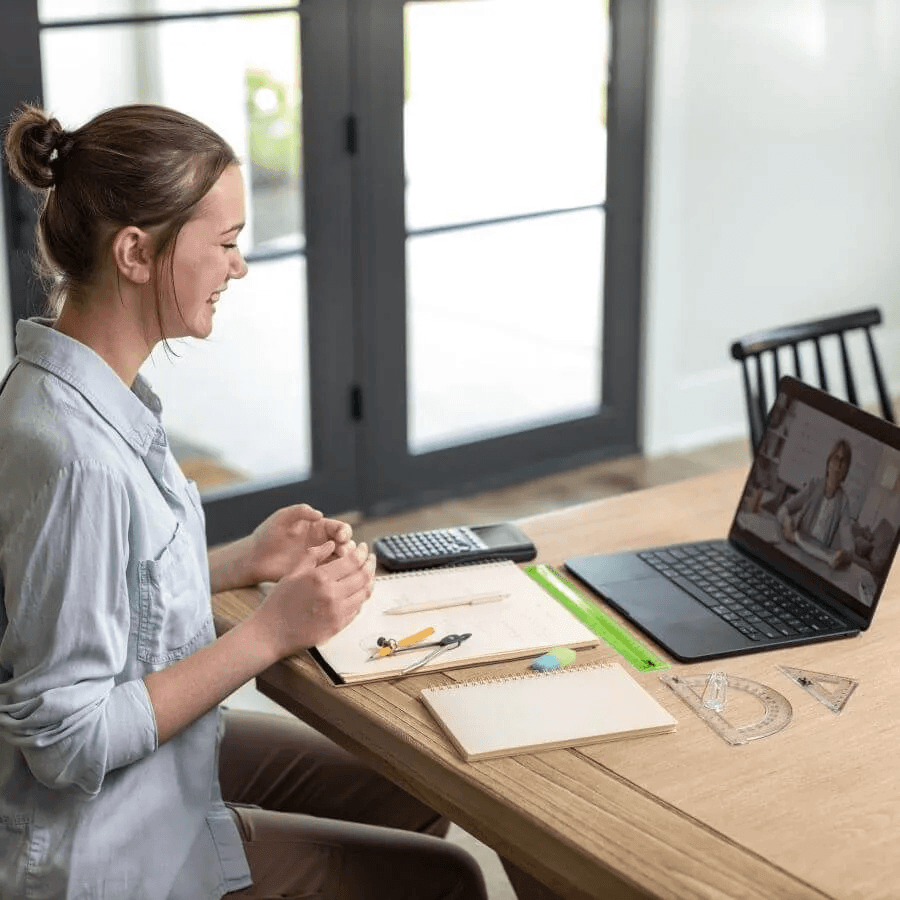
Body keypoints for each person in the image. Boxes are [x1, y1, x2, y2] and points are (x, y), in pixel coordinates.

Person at [0, 103, 487, 900]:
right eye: (224, 244)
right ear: (134, 253)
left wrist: (239, 562)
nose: (239, 266)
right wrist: (270, 632)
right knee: (449, 880)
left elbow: (107, 593)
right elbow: (69, 739)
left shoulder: (89, 395)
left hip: (159, 782)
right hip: (114, 852)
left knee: (406, 781)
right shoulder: (73, 454)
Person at [776, 439, 855, 569]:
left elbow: (849, 547)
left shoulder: (843, 502)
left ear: (846, 470)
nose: (838, 466)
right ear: (829, 462)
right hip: (796, 548)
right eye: (836, 458)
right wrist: (786, 520)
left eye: (843, 461)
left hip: (818, 558)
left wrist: (844, 555)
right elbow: (783, 509)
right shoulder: (813, 486)